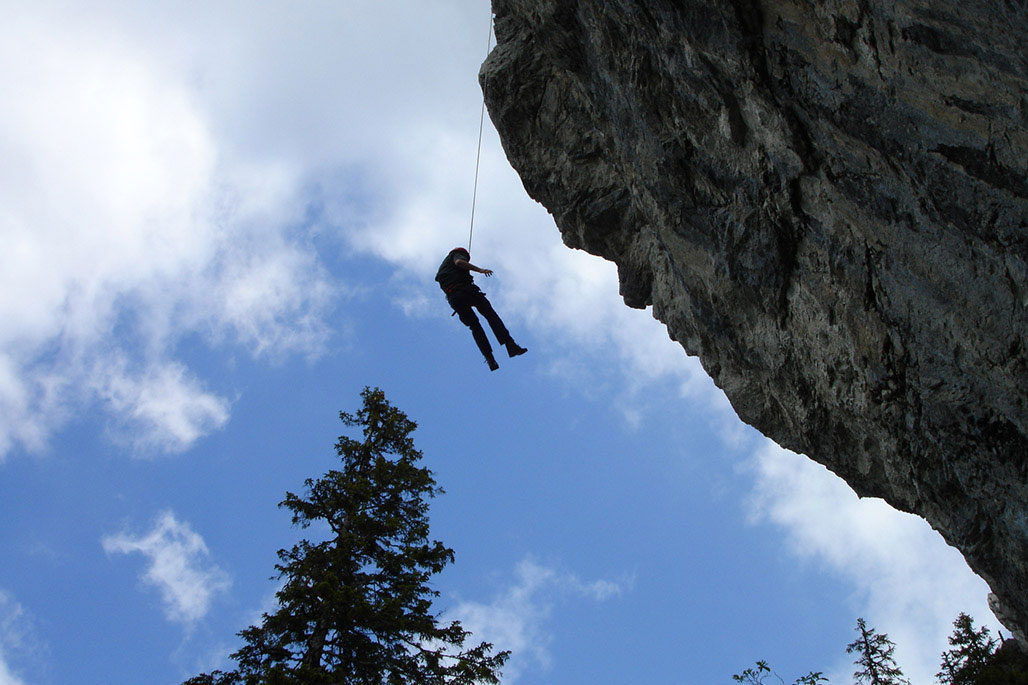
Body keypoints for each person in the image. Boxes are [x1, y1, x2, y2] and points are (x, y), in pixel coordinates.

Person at [436, 247, 527, 371]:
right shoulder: (457, 255)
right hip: (466, 291)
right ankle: (510, 345)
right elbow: (459, 262)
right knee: (491, 316)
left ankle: (490, 359)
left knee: (475, 327)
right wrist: (480, 270)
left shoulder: (444, 268)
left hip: (454, 299)